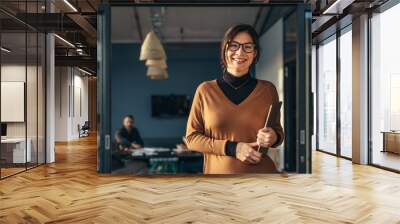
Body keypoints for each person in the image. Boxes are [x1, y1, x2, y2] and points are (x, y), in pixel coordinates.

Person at [185, 24, 284, 174]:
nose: (240, 52)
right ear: (224, 50)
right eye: (234, 46)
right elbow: (191, 139)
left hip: (262, 181)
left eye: (247, 47)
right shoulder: (205, 90)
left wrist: (273, 137)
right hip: (219, 184)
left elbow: (277, 132)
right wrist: (233, 148)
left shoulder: (268, 89)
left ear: (255, 53)